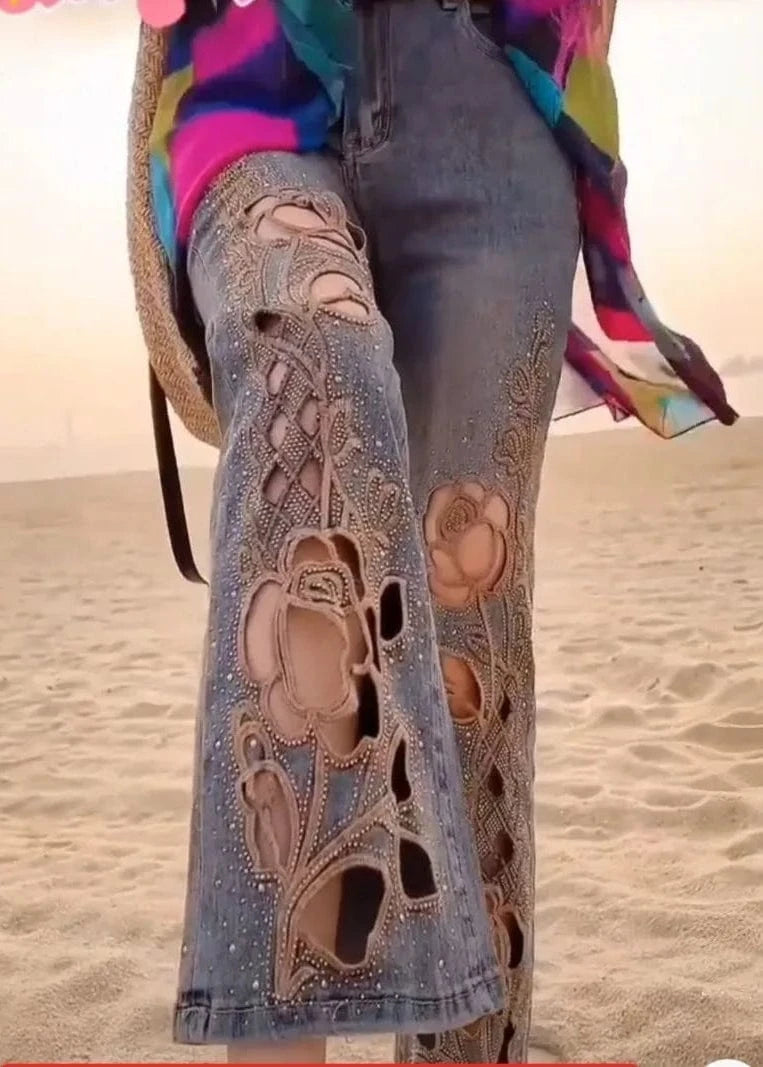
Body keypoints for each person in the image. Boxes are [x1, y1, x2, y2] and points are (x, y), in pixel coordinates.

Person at [126, 0, 737, 1062]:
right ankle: (276, 1047)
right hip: (250, 90)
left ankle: (470, 1049)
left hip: (496, 105)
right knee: (316, 352)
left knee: (467, 630)